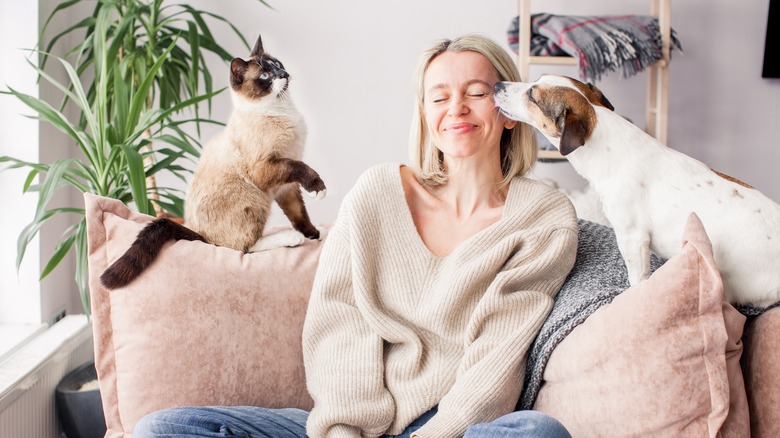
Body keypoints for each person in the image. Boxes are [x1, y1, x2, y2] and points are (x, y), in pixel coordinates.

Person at [134, 33, 578, 438]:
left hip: (453, 429)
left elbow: (499, 354)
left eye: (477, 93)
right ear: (425, 115)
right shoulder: (378, 192)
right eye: (439, 97)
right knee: (165, 429)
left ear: (509, 112)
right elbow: (340, 322)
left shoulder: (542, 218)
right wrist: (346, 431)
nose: (456, 108)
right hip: (356, 428)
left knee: (538, 432)